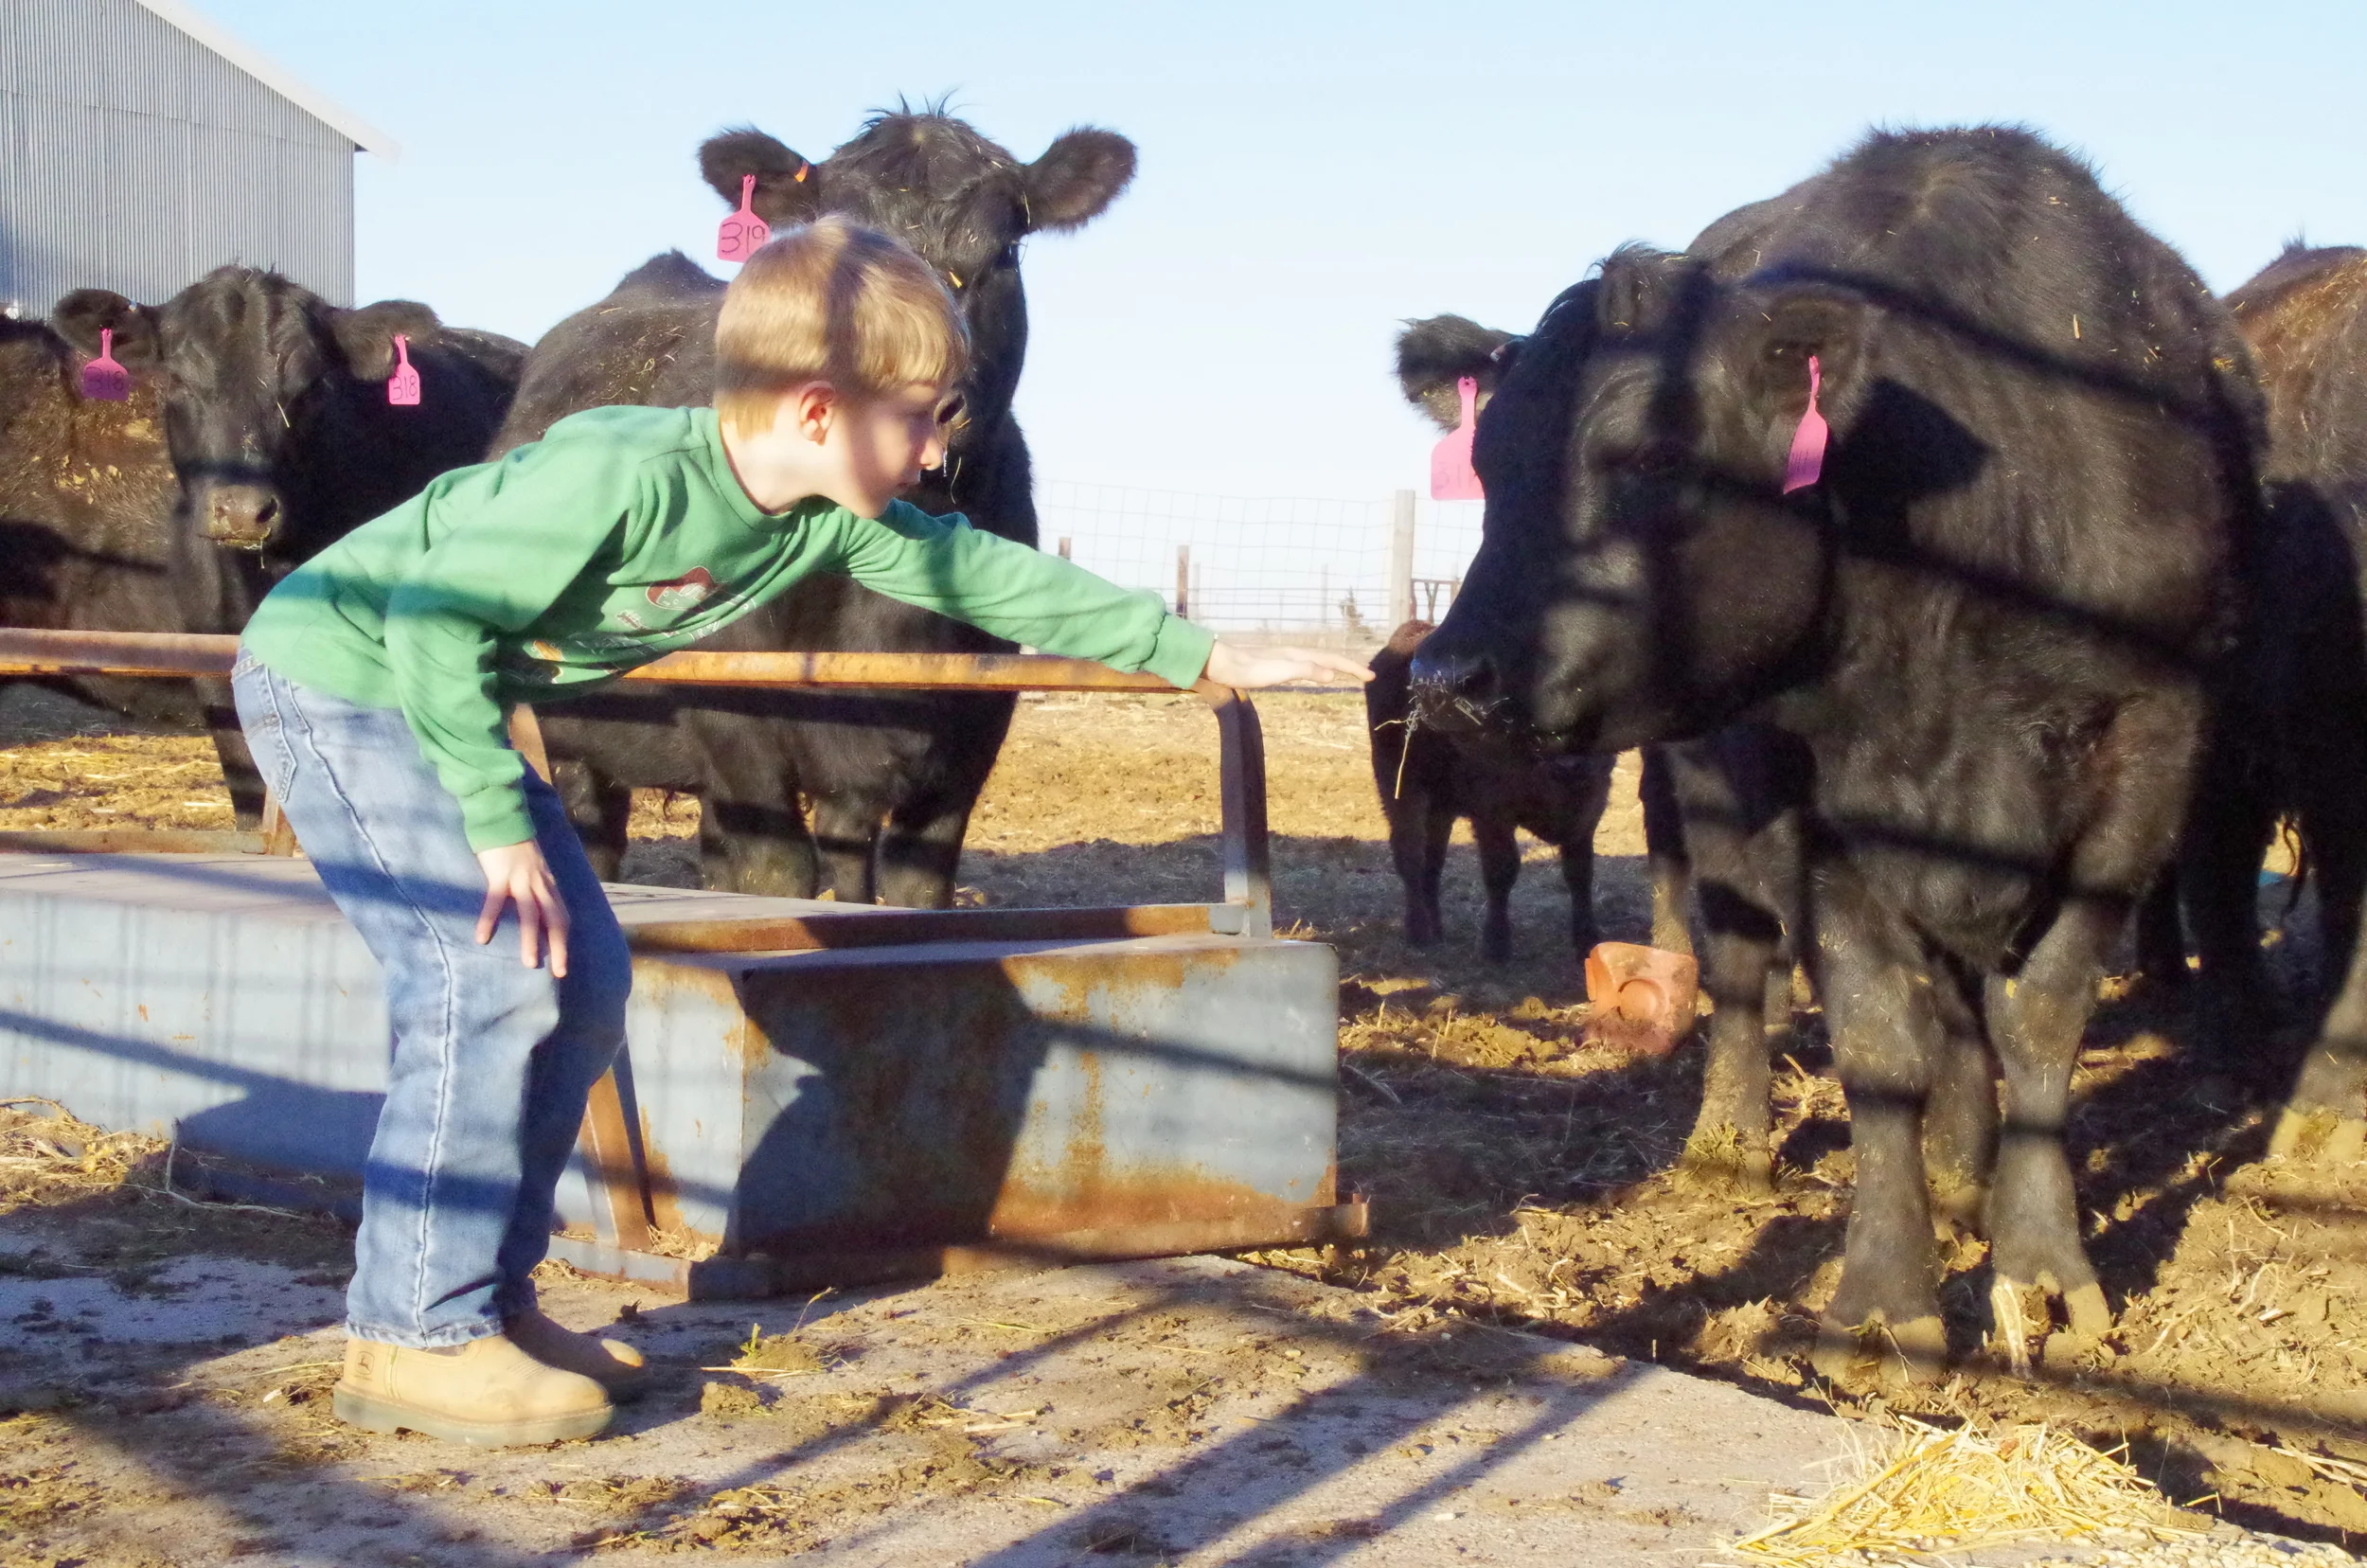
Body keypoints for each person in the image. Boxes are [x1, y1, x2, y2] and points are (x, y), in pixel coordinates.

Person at [231, 215, 1372, 1447]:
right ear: (820, 412)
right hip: (342, 681)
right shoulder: (616, 470)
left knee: (588, 982)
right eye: (923, 416)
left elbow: (987, 576)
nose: (940, 450)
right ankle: (412, 1332)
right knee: (485, 987)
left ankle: (490, 1304)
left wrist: (1196, 650)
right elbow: (428, 623)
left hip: (435, 699)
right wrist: (498, 818)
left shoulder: (811, 514)